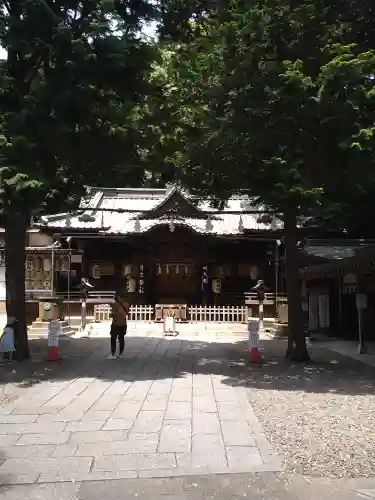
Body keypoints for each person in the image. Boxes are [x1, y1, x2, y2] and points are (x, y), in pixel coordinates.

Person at [108, 291, 129, 359]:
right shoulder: (126, 304)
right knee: (121, 339)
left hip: (115, 324)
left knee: (113, 338)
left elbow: (113, 314)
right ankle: (121, 353)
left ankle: (113, 353)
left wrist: (110, 315)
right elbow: (125, 314)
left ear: (118, 297)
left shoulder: (115, 305)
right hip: (123, 324)